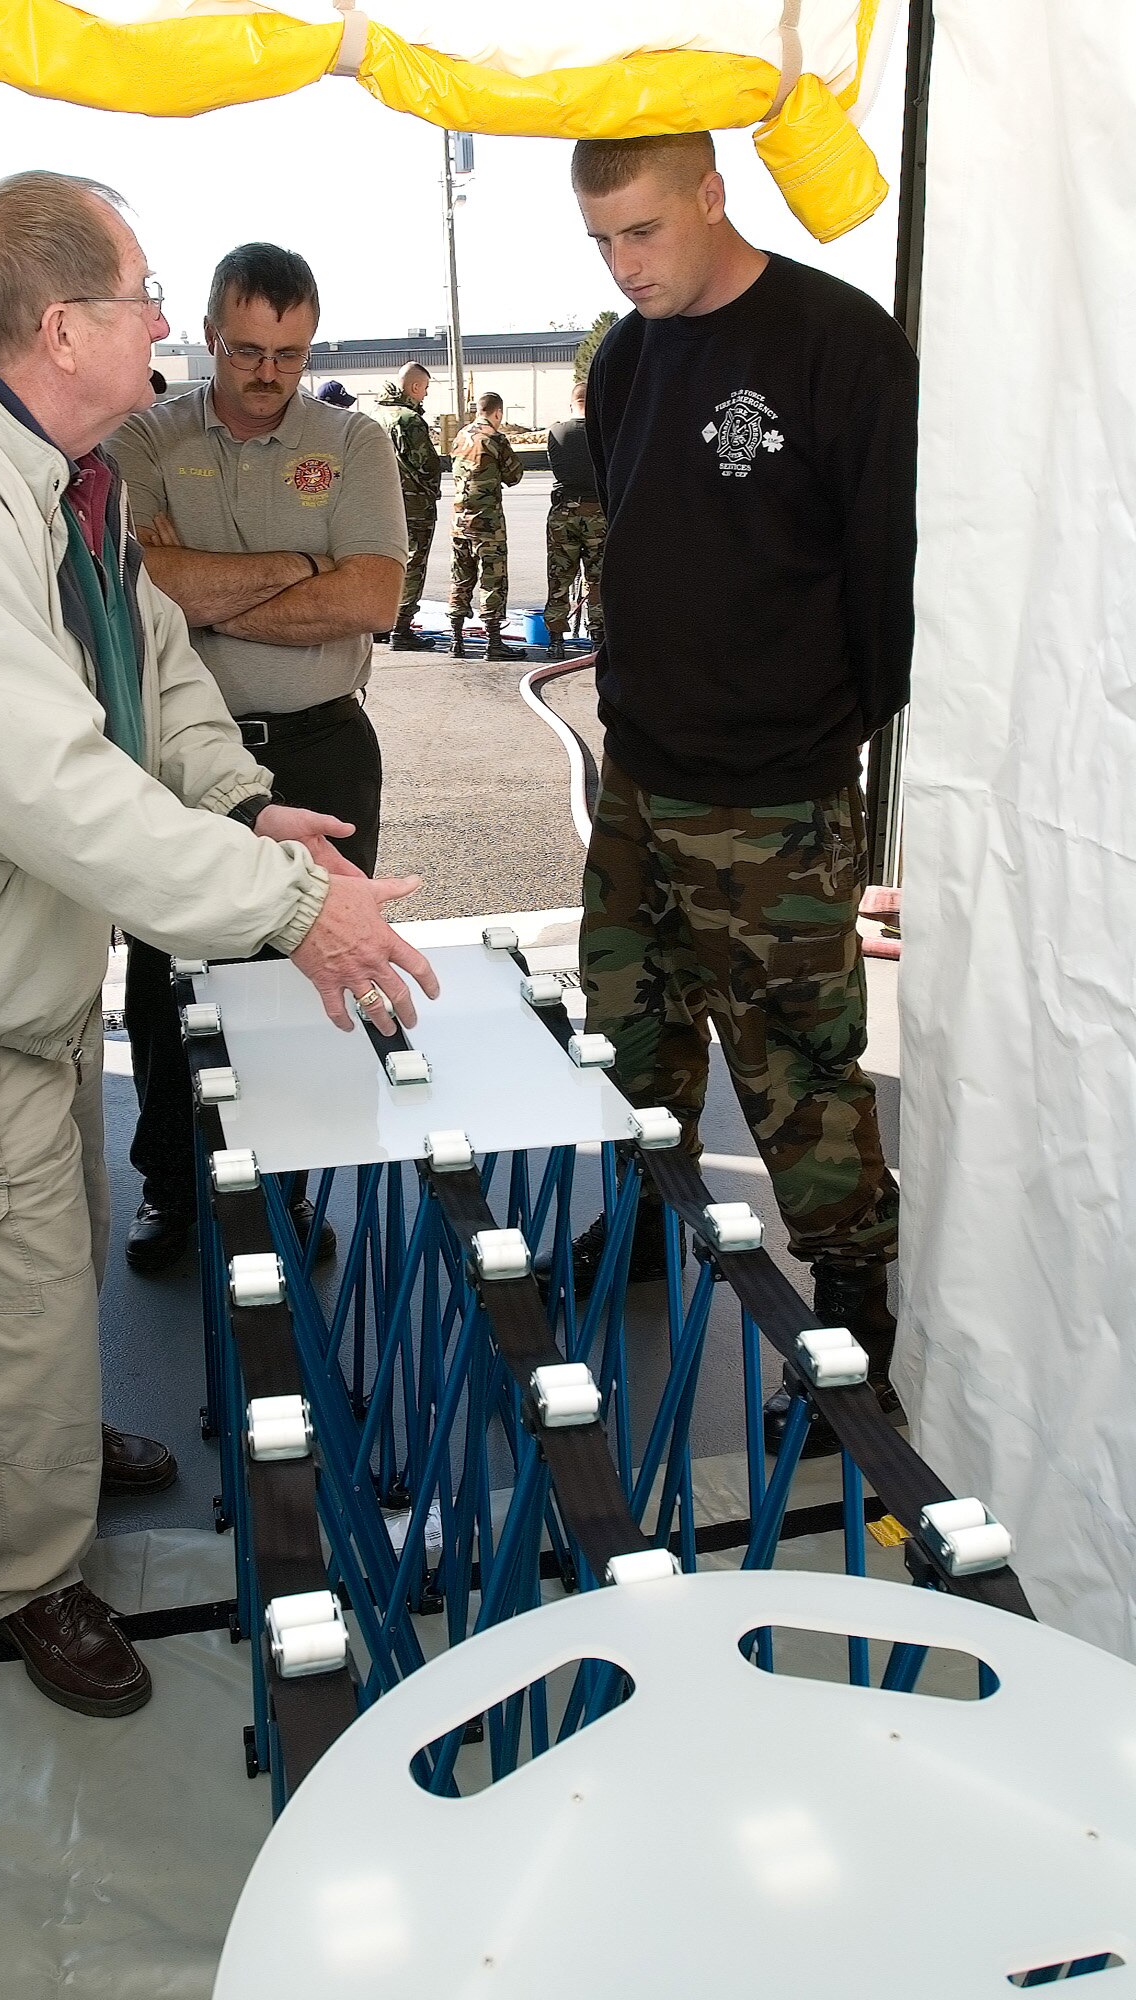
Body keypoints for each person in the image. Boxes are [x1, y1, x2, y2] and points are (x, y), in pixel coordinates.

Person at [0, 171, 437, 1718]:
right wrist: (292, 911)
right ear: (62, 323)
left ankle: (61, 1441)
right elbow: (52, 783)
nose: (168, 324)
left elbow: (152, 671)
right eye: (145, 296)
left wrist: (241, 803)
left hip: (23, 969)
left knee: (58, 1241)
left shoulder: (55, 477)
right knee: (14, 1296)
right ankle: (34, 1575)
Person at [559, 132, 915, 1455]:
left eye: (643, 232)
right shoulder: (628, 354)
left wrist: (812, 735)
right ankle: (646, 1225)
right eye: (600, 241)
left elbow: (893, 587)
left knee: (802, 1079)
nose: (623, 263)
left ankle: (853, 1340)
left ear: (714, 196)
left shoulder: (840, 346)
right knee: (630, 1035)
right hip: (642, 782)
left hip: (773, 798)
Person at [107, 244, 408, 1275]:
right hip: (188, 759)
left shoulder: (354, 442)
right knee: (166, 970)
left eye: (288, 351)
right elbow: (149, 589)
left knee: (310, 965)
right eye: (246, 349)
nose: (267, 372)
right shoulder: (143, 439)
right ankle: (173, 1187)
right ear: (206, 333)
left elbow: (373, 599)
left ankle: (285, 1183)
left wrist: (211, 588)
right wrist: (301, 565)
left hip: (323, 748)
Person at [448, 391, 525, 661]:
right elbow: (514, 475)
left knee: (461, 578)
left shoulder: (459, 437)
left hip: (460, 521)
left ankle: (456, 641)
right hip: (487, 523)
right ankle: (493, 642)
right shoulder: (495, 438)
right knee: (492, 580)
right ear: (498, 413)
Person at [378, 362, 443, 651]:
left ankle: (380, 624)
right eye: (425, 388)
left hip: (380, 503)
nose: (425, 395)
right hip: (413, 505)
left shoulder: (375, 415)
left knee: (384, 563)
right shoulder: (409, 420)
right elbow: (428, 465)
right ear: (415, 387)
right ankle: (401, 629)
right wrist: (432, 492)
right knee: (413, 564)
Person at [543, 380, 606, 660]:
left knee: (559, 578)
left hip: (563, 514)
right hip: (597, 514)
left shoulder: (556, 431)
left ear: (572, 403)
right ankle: (598, 639)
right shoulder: (603, 432)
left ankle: (556, 640)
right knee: (598, 579)